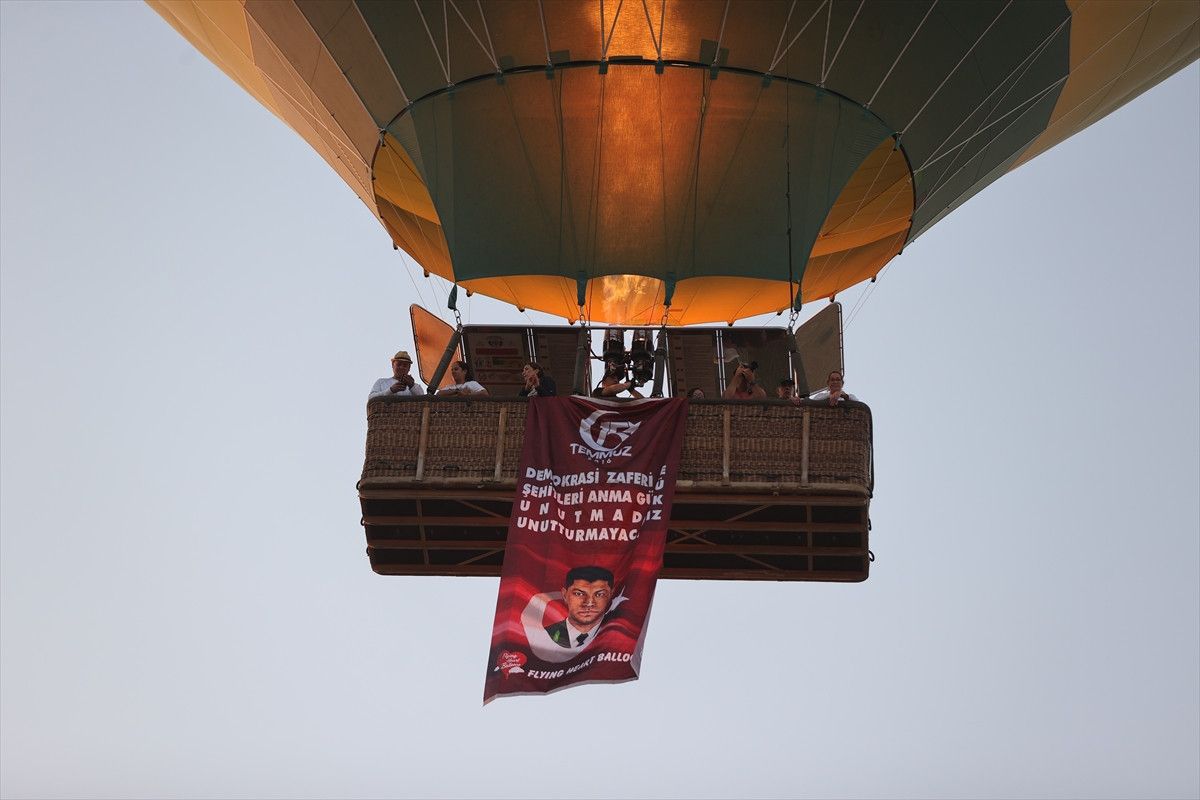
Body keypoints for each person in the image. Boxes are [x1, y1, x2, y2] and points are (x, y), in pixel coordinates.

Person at [545, 566, 615, 649]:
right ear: (565, 595)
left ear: (611, 595)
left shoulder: (620, 638)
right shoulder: (542, 636)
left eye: (599, 594)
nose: (589, 603)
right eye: (579, 594)